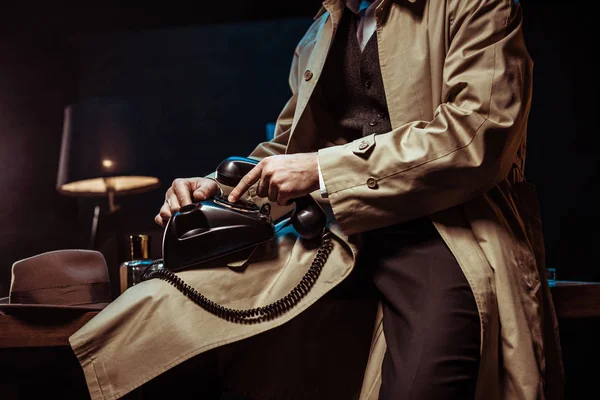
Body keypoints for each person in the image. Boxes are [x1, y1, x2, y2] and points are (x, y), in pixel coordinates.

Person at [70, 1, 563, 399]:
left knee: (426, 380)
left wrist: (325, 169)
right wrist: (215, 189)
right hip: (334, 231)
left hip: (443, 229)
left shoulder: (476, 5)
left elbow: (478, 135)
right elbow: (288, 150)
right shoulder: (322, 31)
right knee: (166, 321)